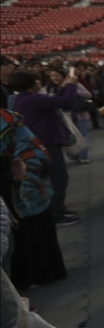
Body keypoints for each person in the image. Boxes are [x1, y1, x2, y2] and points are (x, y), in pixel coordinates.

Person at [0, 108, 68, 289]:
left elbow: (28, 147)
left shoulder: (7, 120)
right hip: (14, 181)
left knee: (22, 230)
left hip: (17, 182)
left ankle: (33, 275)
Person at [8, 70, 79, 226]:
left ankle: (58, 208)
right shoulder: (32, 99)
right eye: (37, 80)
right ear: (30, 83)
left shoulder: (22, 99)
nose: (40, 83)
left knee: (54, 177)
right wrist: (72, 86)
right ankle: (57, 213)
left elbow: (54, 100)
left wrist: (63, 87)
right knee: (58, 177)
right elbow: (65, 102)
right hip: (46, 142)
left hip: (40, 142)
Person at [46, 65, 93, 164]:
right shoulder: (50, 88)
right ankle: (74, 156)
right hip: (65, 115)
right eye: (52, 76)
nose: (55, 78)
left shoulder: (76, 84)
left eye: (57, 75)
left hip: (80, 113)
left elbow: (88, 95)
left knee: (83, 134)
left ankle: (84, 156)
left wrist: (72, 88)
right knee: (70, 136)